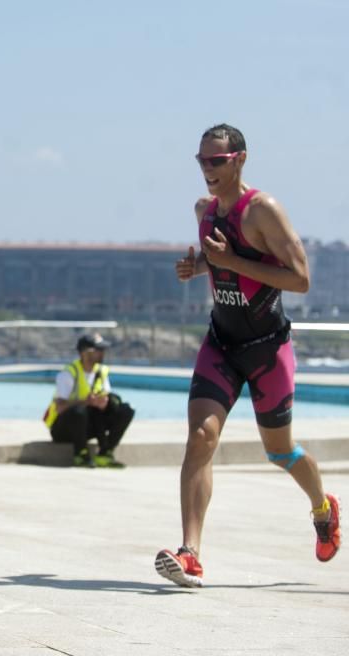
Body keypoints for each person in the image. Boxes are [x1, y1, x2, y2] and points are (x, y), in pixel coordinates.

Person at [155, 123, 341, 588]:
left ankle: (323, 507)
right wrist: (196, 267)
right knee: (201, 436)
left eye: (215, 161)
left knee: (280, 452)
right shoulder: (204, 210)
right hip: (221, 343)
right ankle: (190, 552)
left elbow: (300, 279)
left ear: (239, 159)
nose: (206, 170)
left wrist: (227, 262)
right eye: (200, 161)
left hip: (267, 350)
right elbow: (219, 259)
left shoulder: (263, 211)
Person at [43, 333, 134, 468]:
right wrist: (86, 402)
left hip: (88, 426)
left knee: (124, 409)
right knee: (79, 412)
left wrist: (104, 403)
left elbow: (106, 396)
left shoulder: (101, 371)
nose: (103, 353)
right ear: (85, 353)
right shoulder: (69, 373)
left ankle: (105, 453)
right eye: (99, 350)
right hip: (63, 429)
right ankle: (80, 454)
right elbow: (60, 408)